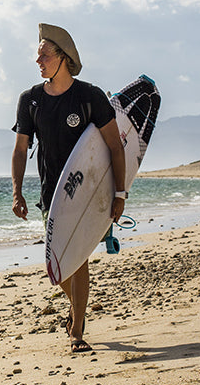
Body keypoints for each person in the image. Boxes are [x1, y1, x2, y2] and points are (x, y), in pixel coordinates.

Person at [11, 23, 127, 353]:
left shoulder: (89, 97)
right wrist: (17, 192)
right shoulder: (30, 101)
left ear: (63, 58)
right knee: (59, 265)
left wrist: (119, 193)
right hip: (53, 193)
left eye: (44, 55)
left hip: (90, 193)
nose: (39, 61)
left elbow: (115, 147)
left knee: (77, 261)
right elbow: (20, 150)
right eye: (38, 56)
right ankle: (76, 309)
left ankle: (77, 329)